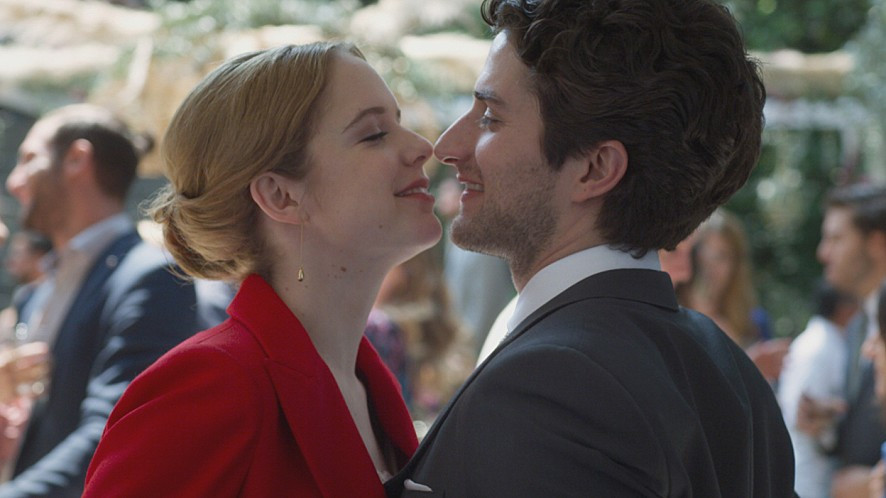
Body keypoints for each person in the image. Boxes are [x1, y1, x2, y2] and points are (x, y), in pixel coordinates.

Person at [385, 0, 795, 496]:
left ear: (595, 169)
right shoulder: (730, 369)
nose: (448, 146)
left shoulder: (549, 384)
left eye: (490, 117)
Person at [83, 41, 442, 497]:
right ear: (279, 195)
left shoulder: (365, 382)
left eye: (400, 123)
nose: (422, 146)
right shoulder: (212, 384)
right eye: (374, 134)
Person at [0, 104, 209, 497]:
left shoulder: (152, 277)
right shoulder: (33, 295)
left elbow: (116, 433)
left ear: (77, 159)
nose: (13, 182)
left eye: (28, 159)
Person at [815, 183, 886, 497]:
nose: (823, 253)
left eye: (836, 239)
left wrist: (874, 483)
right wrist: (829, 426)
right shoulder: (858, 327)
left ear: (876, 243)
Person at [686, 209, 791, 381]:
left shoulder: (755, 323)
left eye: (721, 256)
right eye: (704, 253)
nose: (709, 266)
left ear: (736, 263)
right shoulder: (671, 316)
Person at [778, 280, 858, 498]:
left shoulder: (814, 340)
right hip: (809, 469)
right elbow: (808, 416)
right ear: (843, 307)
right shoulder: (824, 346)